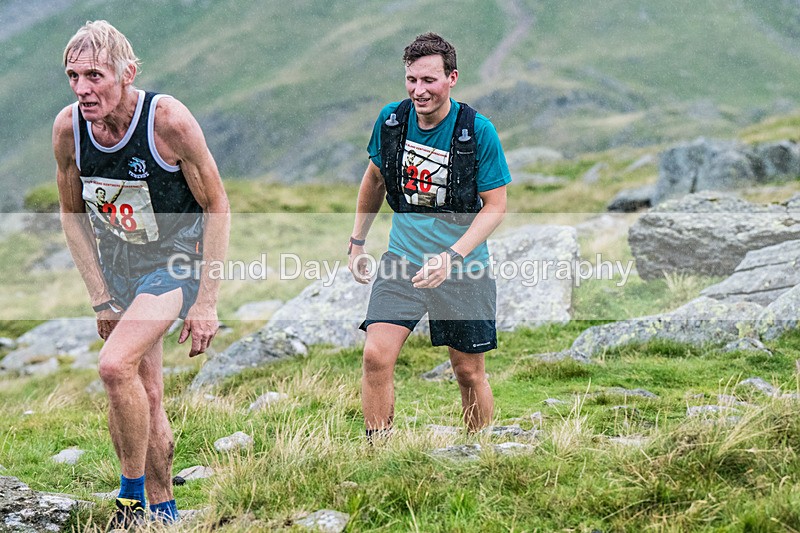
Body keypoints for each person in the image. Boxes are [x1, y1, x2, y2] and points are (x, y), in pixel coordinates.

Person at [53, 20, 230, 529]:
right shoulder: (69, 128)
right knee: (143, 391)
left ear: (127, 73)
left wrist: (207, 302)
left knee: (113, 366)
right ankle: (165, 510)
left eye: (95, 75)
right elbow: (72, 214)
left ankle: (129, 502)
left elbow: (217, 203)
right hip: (120, 269)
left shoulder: (167, 121)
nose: (83, 89)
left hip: (176, 263)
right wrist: (100, 298)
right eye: (73, 76)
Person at [348, 33, 511, 440]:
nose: (418, 90)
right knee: (375, 356)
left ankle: (479, 451)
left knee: (468, 372)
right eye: (411, 80)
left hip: (463, 268)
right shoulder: (391, 121)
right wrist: (356, 242)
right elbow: (374, 178)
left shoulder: (478, 132)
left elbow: (495, 206)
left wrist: (450, 257)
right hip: (402, 260)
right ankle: (378, 453)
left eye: (429, 80)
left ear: (452, 78)